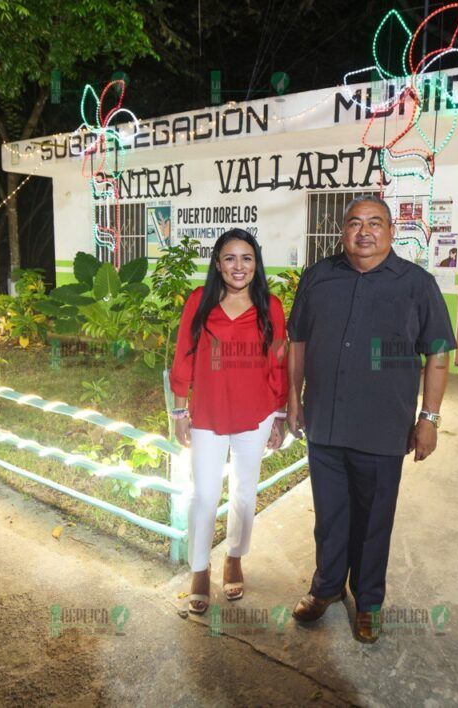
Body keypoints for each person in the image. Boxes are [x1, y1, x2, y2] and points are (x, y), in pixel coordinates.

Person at [286, 195, 457, 643]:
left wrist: (430, 417)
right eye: (354, 223)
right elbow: (298, 343)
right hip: (325, 422)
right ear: (343, 231)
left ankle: (369, 602)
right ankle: (325, 589)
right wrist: (293, 397)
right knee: (330, 515)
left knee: (373, 518)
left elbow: (438, 352)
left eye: (374, 223)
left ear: (390, 230)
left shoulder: (416, 284)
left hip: (383, 426)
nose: (364, 232)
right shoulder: (318, 278)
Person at [169, 228, 288, 615]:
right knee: (204, 494)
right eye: (231, 258)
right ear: (218, 265)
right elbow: (184, 354)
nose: (239, 266)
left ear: (256, 264)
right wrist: (179, 409)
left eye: (247, 258)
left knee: (243, 492)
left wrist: (280, 414)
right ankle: (200, 568)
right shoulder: (199, 301)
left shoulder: (270, 305)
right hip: (207, 414)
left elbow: (278, 360)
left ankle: (234, 556)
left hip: (256, 414)